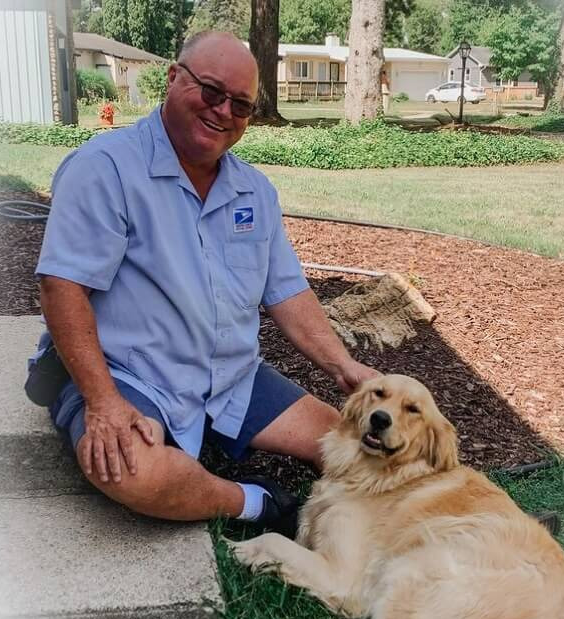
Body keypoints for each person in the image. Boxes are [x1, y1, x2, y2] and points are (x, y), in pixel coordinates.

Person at [28, 31, 377, 536]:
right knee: (130, 470)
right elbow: (62, 288)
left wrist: (342, 364)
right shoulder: (105, 169)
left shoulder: (254, 190)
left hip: (230, 376)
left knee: (348, 446)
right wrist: (104, 403)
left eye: (241, 104)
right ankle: (254, 502)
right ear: (173, 79)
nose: (223, 112)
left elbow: (287, 292)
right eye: (211, 92)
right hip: (131, 375)